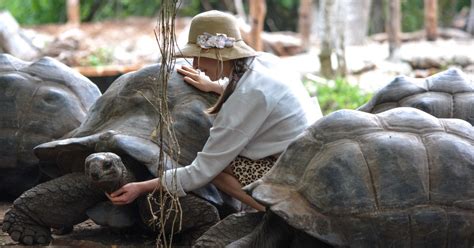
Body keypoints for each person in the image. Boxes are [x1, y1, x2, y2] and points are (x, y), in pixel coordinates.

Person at [107, 10, 320, 211]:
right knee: (221, 162)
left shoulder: (245, 98)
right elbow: (259, 96)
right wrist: (216, 86)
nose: (196, 65)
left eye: (198, 56)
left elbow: (201, 172)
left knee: (216, 171)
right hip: (313, 161)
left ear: (219, 54)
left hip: (297, 178)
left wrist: (141, 187)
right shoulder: (265, 63)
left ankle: (277, 212)